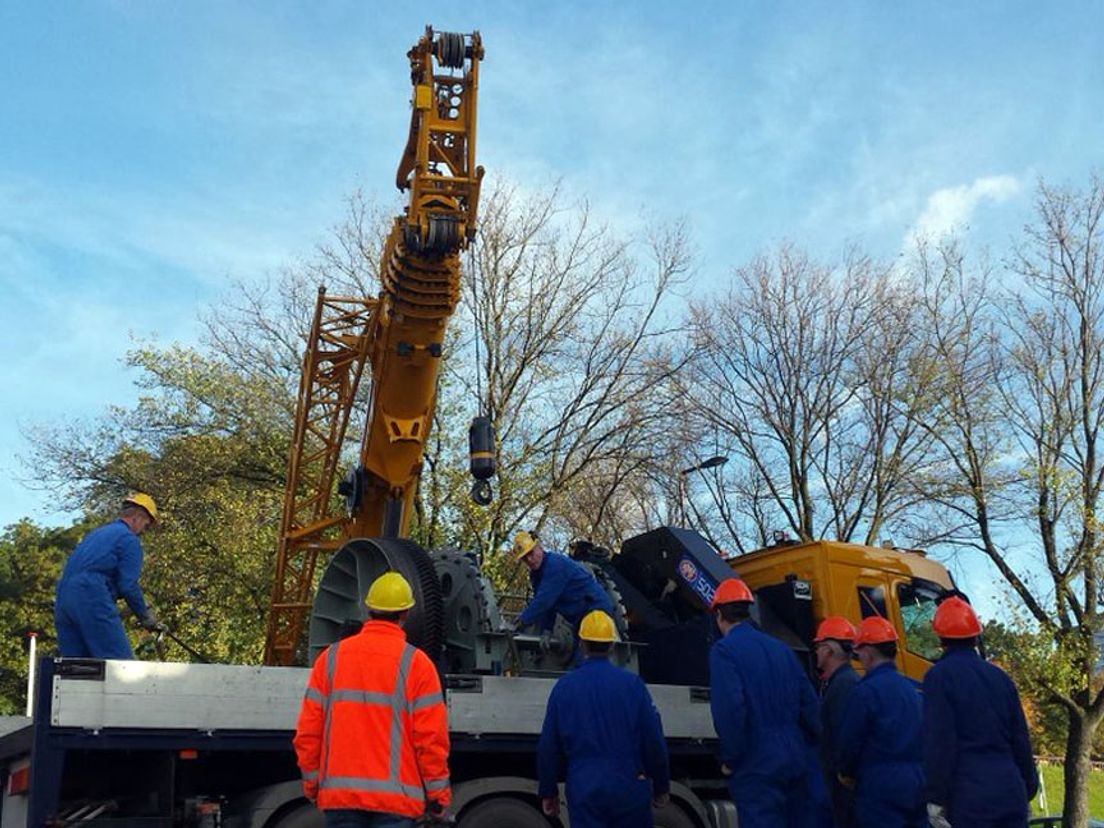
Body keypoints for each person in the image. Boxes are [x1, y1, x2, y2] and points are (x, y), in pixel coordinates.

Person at [293, 572, 451, 827]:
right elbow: (431, 740)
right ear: (405, 614)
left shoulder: (331, 659)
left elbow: (308, 733)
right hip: (396, 804)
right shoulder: (417, 665)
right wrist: (438, 797)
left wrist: (312, 784)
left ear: (368, 609)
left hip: (341, 801)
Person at [537, 609, 670, 828]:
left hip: (585, 787)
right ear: (611, 646)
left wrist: (548, 792)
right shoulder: (633, 685)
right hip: (629, 785)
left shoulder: (565, 688)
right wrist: (662, 786)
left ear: (581, 644)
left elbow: (549, 747)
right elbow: (653, 740)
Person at [708, 577, 820, 827]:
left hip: (756, 762)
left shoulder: (724, 651)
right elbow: (810, 707)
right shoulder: (781, 649)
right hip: (794, 757)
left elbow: (731, 711)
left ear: (718, 614)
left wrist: (731, 758)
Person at [922, 597, 1038, 828]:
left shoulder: (939, 677)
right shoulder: (1001, 678)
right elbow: (1021, 741)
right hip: (1010, 790)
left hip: (970, 797)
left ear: (940, 638)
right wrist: (1027, 787)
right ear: (976, 636)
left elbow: (940, 742)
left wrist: (935, 798)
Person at [834, 616, 925, 828]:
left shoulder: (865, 693)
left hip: (881, 786)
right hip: (919, 782)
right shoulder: (915, 689)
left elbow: (850, 743)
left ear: (868, 652)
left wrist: (846, 773)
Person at [55, 492, 165, 659]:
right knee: (121, 669)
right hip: (91, 597)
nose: (144, 531)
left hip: (63, 601)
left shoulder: (96, 535)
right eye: (146, 525)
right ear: (137, 517)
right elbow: (128, 585)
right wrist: (146, 615)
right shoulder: (129, 540)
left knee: (76, 670)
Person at [511, 531, 614, 651]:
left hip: (595, 610)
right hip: (579, 618)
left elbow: (544, 601)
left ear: (539, 548)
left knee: (586, 657)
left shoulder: (555, 564)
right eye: (525, 558)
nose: (529, 560)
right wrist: (547, 630)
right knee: (580, 654)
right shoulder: (536, 575)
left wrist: (521, 622)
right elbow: (549, 606)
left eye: (531, 553)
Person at [813, 616, 860, 828]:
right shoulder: (842, 682)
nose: (816, 651)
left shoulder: (844, 685)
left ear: (829, 650)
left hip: (843, 787)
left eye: (819, 646)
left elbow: (845, 739)